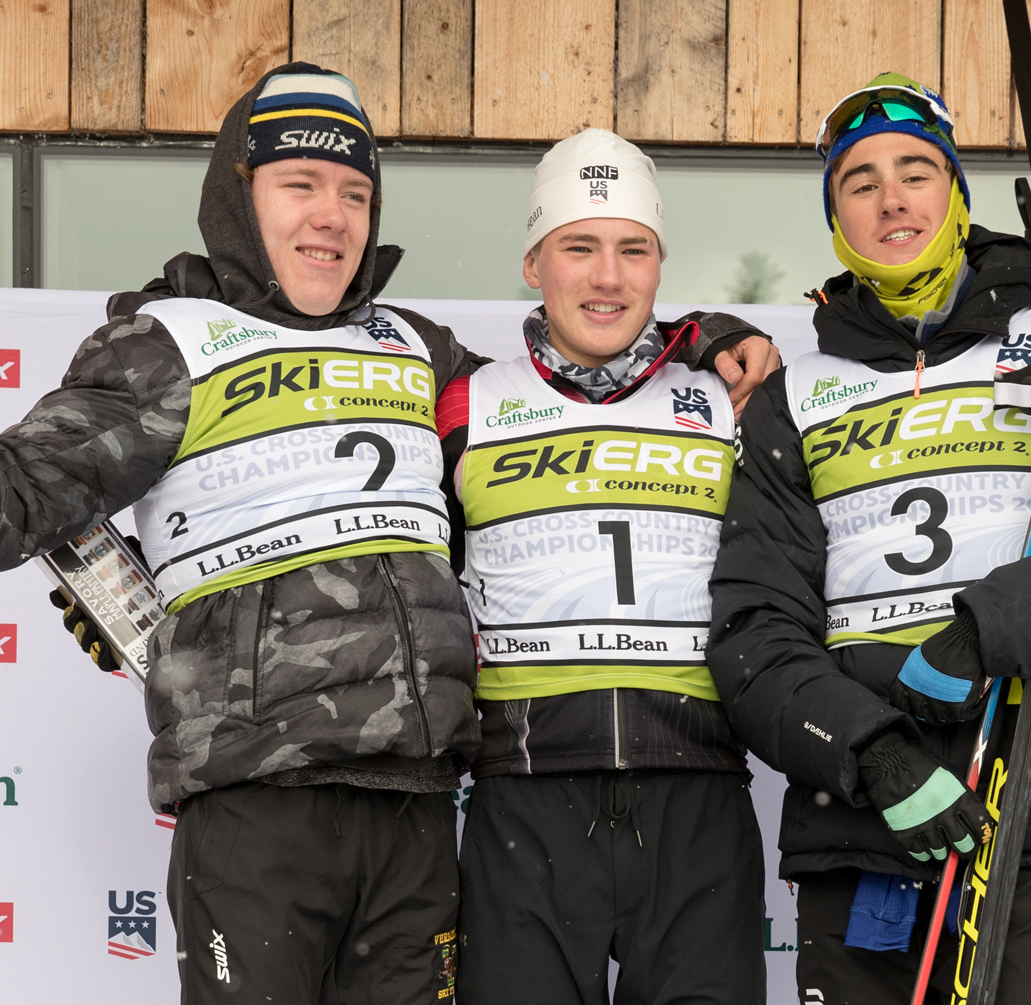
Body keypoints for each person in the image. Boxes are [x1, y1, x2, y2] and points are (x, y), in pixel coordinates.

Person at [0, 64, 776, 1004]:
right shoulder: (166, 344)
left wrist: (702, 338)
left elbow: (568, 386)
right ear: (240, 198)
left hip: (416, 814)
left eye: (355, 192)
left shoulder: (416, 348)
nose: (332, 215)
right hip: (257, 806)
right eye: (300, 185)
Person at [706, 73, 1031, 1005]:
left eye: (915, 171)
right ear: (836, 221)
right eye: (858, 183)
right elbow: (753, 632)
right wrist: (870, 753)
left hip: (1026, 796)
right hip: (857, 816)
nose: (891, 198)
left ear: (955, 195)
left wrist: (989, 628)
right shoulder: (797, 395)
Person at [437, 127, 772, 1005]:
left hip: (699, 796)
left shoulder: (727, 396)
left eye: (634, 249)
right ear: (533, 261)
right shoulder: (467, 400)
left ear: (661, 265)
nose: (608, 276)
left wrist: (721, 334)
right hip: (525, 804)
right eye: (578, 247)